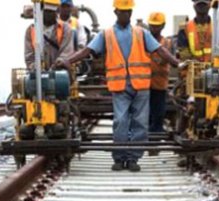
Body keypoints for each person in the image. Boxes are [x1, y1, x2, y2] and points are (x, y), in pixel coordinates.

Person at [58, 0, 179, 172]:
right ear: (116, 12)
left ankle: (133, 158)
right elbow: (88, 51)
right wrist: (68, 61)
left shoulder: (141, 33)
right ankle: (119, 157)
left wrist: (177, 63)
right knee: (121, 121)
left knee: (140, 123)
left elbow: (159, 49)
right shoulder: (106, 34)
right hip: (120, 86)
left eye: (128, 12)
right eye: (123, 12)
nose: (126, 15)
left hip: (141, 86)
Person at [24, 0, 73, 69]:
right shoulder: (31, 30)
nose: (49, 14)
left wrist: (58, 64)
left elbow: (67, 52)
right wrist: (34, 66)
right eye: (47, 11)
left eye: (51, 11)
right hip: (38, 72)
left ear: (57, 11)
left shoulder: (65, 28)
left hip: (59, 70)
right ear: (40, 11)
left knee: (61, 76)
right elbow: (29, 56)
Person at [147, 12, 173, 133]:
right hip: (144, 83)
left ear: (163, 26)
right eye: (152, 25)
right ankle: (145, 133)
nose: (154, 28)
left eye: (157, 26)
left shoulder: (167, 43)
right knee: (144, 112)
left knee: (158, 111)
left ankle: (157, 133)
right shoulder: (142, 41)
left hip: (160, 84)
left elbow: (168, 59)